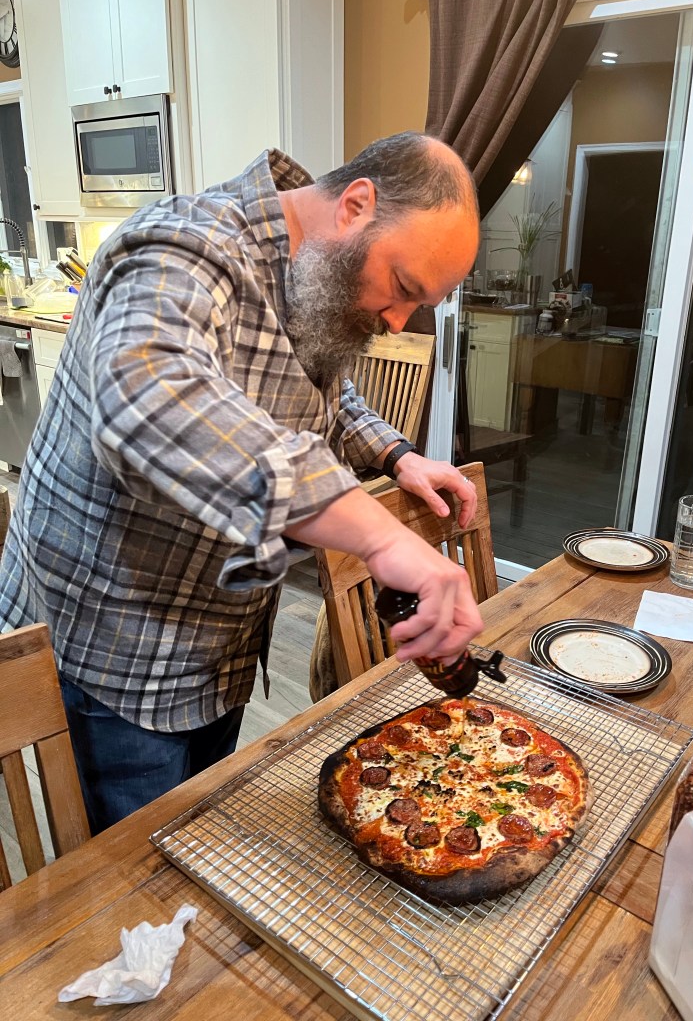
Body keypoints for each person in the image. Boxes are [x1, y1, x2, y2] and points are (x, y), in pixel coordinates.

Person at [0, 132, 484, 834]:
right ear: (356, 205)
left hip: (221, 645)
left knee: (199, 838)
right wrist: (379, 536)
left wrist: (397, 456)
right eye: (405, 288)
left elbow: (320, 390)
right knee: (147, 872)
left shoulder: (307, 269)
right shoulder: (186, 244)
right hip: (122, 653)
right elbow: (150, 396)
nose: (397, 321)